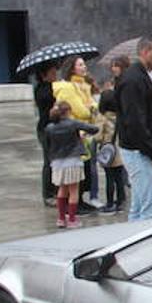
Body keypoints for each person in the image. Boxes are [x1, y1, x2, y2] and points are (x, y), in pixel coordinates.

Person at [116, 37, 152, 221]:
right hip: (141, 153)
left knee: (139, 208)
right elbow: (135, 122)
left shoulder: (143, 76)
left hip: (145, 151)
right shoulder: (133, 79)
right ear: (146, 52)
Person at [53, 55, 100, 211]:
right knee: (76, 171)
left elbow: (91, 102)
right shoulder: (67, 87)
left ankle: (80, 200)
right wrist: (91, 110)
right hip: (75, 133)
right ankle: (74, 204)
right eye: (80, 65)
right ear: (72, 68)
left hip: (85, 131)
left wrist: (92, 107)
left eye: (84, 64)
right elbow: (81, 110)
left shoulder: (83, 84)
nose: (84, 67)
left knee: (85, 167)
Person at [44, 101, 100, 229]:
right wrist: (82, 135)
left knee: (62, 189)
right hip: (73, 160)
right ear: (68, 111)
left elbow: (47, 146)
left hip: (57, 162)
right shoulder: (73, 124)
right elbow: (94, 129)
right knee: (73, 191)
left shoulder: (49, 127)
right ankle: (72, 220)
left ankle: (61, 218)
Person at [95, 75, 127, 214]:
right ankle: (120, 201)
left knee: (109, 178)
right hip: (120, 151)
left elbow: (97, 136)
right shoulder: (121, 117)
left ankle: (109, 203)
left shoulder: (103, 118)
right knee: (119, 178)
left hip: (108, 152)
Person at [33, 64, 58, 206]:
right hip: (46, 129)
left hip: (54, 128)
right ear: (44, 74)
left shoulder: (53, 86)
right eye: (52, 72)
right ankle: (48, 194)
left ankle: (56, 190)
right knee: (49, 162)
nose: (55, 73)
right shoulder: (43, 90)